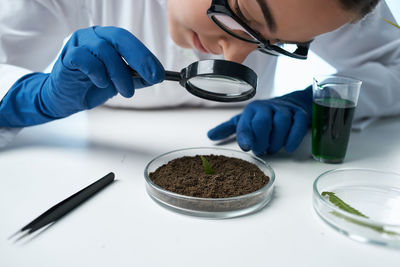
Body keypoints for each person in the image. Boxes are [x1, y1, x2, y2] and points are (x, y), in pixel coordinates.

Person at [0, 0, 399, 156]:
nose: (236, 56)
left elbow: (394, 65)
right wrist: (30, 99)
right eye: (244, 15)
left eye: (277, 43)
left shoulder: (330, 4)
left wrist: (316, 103)